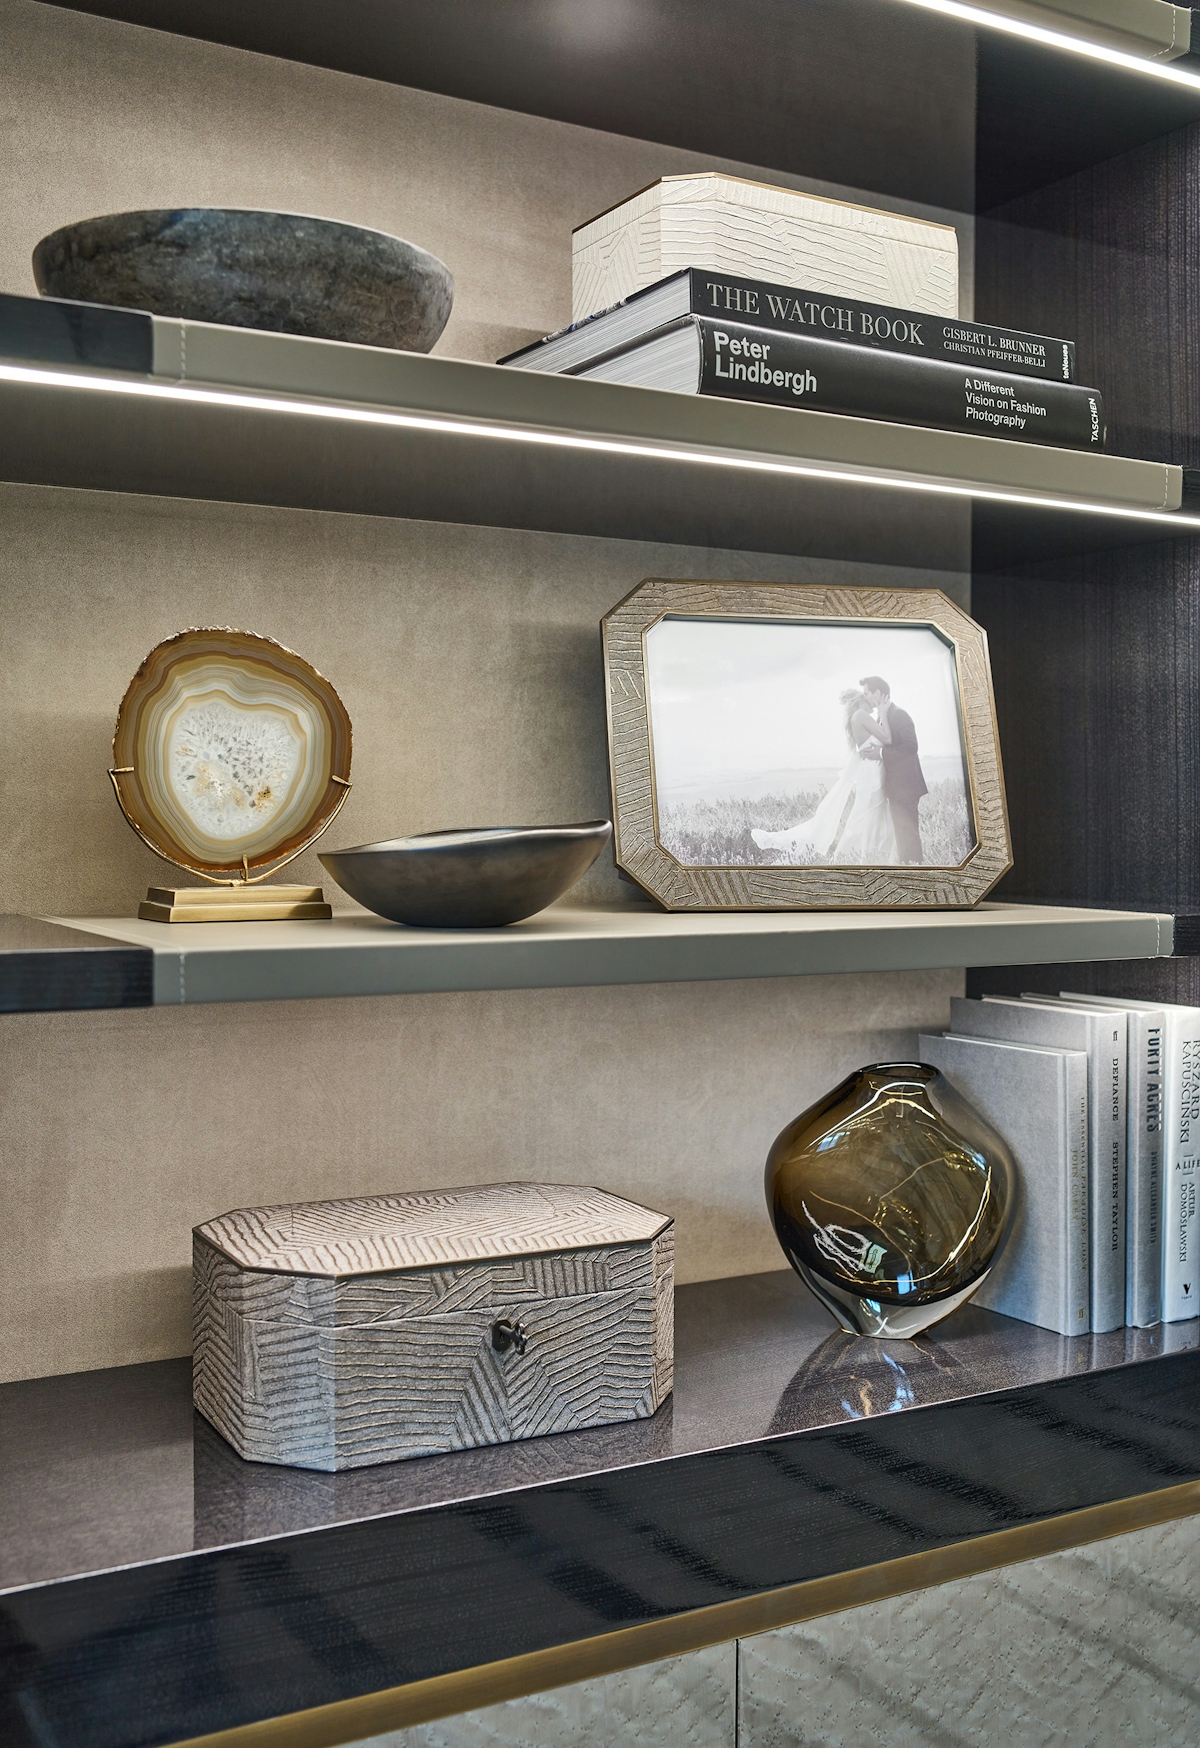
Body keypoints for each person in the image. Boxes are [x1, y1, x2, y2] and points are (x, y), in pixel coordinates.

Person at [752, 688, 898, 863]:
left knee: (867, 817)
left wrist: (881, 718)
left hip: (873, 772)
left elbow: (876, 739)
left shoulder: (860, 718)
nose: (874, 704)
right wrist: (883, 713)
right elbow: (887, 739)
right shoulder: (861, 715)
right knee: (863, 818)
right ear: (860, 702)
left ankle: (863, 857)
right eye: (869, 699)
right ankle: (850, 858)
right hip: (873, 775)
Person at [860, 674, 926, 864]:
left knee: (908, 834)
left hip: (905, 787)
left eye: (867, 693)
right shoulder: (884, 717)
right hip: (896, 787)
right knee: (902, 835)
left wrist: (881, 754)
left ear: (878, 693)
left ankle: (916, 873)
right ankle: (909, 869)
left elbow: (911, 746)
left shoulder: (898, 714)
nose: (865, 697)